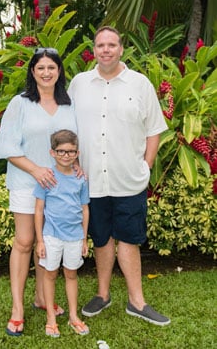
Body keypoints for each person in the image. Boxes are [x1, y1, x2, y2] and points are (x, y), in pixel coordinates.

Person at [68, 26, 171, 326]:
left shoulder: (139, 85)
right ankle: (102, 294)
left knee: (129, 238)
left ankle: (136, 301)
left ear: (121, 49)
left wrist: (146, 166)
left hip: (129, 179)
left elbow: (154, 130)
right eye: (101, 45)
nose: (106, 50)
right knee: (101, 238)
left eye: (112, 44)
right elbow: (67, 125)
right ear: (95, 49)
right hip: (92, 181)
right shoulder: (79, 84)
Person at [0, 47, 77, 336]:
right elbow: (5, 146)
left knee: (49, 241)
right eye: (40, 68)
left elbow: (72, 142)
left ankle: (43, 298)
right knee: (25, 240)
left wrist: (76, 165)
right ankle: (17, 308)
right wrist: (35, 170)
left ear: (59, 71)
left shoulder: (69, 104)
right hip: (26, 182)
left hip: (58, 187)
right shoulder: (20, 103)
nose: (46, 73)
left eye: (51, 68)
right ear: (33, 72)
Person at [34, 129, 90, 338]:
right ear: (52, 152)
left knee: (71, 274)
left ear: (77, 153)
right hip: (51, 236)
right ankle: (51, 317)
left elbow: (85, 209)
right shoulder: (47, 177)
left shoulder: (81, 179)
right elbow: (39, 210)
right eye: (61, 151)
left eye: (71, 152)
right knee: (50, 274)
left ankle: (74, 316)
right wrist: (40, 240)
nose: (66, 156)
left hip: (75, 236)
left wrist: (84, 238)